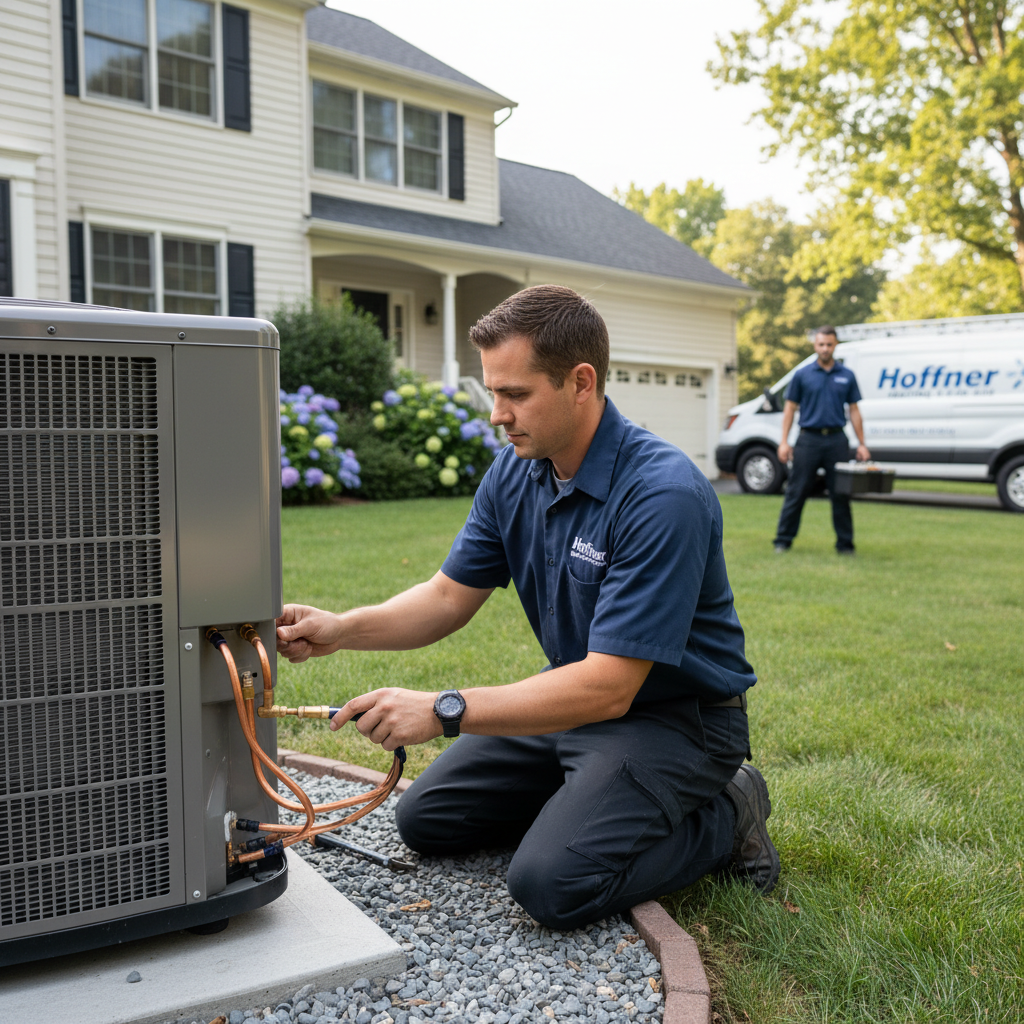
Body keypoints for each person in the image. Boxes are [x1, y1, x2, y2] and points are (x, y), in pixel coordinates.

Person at [277, 285, 779, 929]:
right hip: (570, 702)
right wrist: (341, 629)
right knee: (428, 819)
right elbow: (446, 597)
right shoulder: (516, 469)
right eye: (492, 392)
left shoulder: (662, 493)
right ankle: (588, 796)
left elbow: (609, 688)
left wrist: (443, 709)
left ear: (580, 382)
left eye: (515, 394)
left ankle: (731, 808)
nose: (496, 414)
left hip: (675, 720)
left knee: (552, 883)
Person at [773, 326, 870, 554]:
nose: (825, 348)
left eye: (829, 344)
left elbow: (854, 411)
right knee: (796, 491)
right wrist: (784, 441)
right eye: (821, 344)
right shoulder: (802, 375)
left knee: (841, 494)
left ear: (835, 345)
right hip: (808, 440)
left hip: (837, 441)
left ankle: (845, 545)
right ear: (815, 346)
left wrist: (862, 444)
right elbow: (789, 409)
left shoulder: (847, 375)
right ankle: (782, 541)